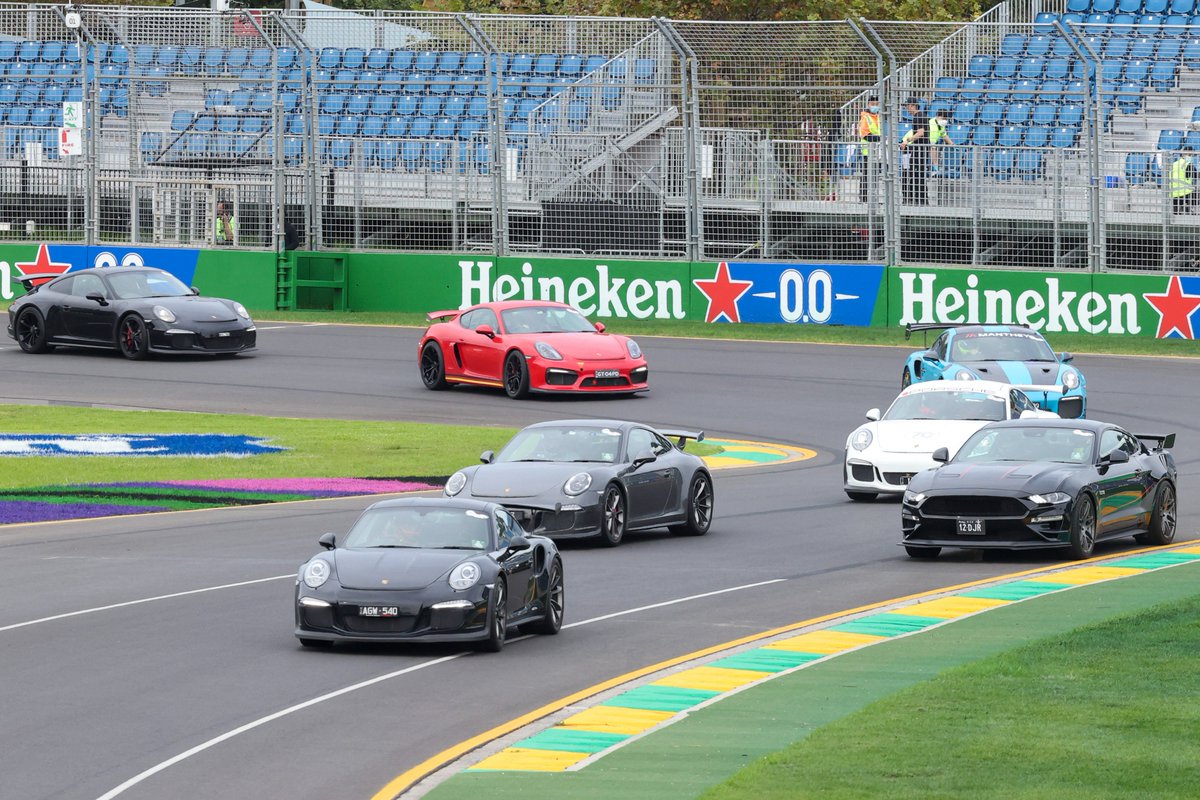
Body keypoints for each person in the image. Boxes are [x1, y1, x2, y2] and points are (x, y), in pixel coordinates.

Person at [899, 97, 929, 205]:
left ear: (912, 105)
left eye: (907, 106)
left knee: (915, 174)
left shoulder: (919, 116)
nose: (907, 109)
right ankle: (919, 199)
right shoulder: (920, 116)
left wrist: (907, 140)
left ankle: (918, 199)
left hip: (920, 150)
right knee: (917, 174)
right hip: (919, 149)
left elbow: (921, 132)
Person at [857, 96, 881, 203]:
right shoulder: (865, 117)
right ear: (868, 104)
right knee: (866, 174)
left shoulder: (878, 116)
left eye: (876, 104)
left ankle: (872, 196)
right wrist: (880, 138)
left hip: (877, 151)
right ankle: (864, 197)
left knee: (874, 174)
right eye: (872, 104)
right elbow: (865, 134)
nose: (874, 106)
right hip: (867, 150)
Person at [1170, 145, 1196, 214]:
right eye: (1192, 155)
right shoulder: (1188, 164)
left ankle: (1177, 209)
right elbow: (1196, 175)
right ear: (1189, 154)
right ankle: (1188, 207)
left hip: (1173, 192)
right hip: (1185, 192)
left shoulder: (1174, 164)